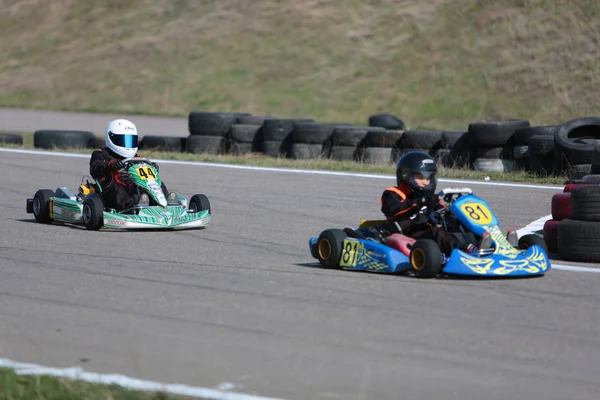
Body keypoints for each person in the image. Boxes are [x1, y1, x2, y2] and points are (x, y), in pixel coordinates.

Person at [380, 151, 491, 255]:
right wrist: (421, 202)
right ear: (406, 176)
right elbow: (395, 211)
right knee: (437, 233)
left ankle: (489, 244)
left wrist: (451, 211)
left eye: (428, 178)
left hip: (428, 231)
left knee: (458, 224)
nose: (426, 182)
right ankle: (467, 251)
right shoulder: (392, 193)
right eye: (420, 177)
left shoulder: (427, 197)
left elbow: (440, 211)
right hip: (409, 233)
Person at [89, 119, 176, 212]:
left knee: (152, 180)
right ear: (111, 137)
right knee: (117, 187)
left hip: (131, 183)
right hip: (110, 187)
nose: (127, 145)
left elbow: (143, 166)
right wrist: (112, 165)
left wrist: (152, 167)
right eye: (123, 140)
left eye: (130, 140)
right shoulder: (101, 154)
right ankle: (131, 208)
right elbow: (95, 169)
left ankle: (164, 202)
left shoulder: (135, 157)